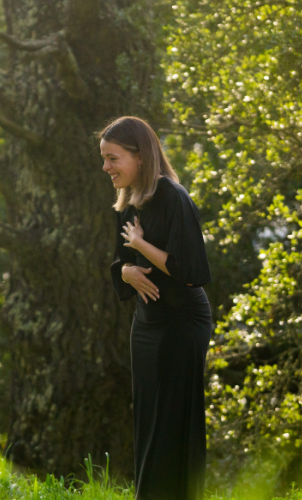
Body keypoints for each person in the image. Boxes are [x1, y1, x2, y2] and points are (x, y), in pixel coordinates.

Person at [101, 117, 212, 500]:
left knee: (172, 424)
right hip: (147, 324)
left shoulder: (172, 196)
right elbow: (119, 262)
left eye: (113, 158)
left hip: (183, 321)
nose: (106, 168)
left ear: (140, 157)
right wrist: (128, 270)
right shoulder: (127, 201)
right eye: (104, 159)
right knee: (149, 422)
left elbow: (192, 271)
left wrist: (142, 247)